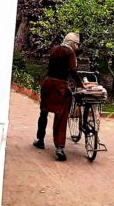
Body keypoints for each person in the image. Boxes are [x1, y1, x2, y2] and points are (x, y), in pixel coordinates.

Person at [33, 32, 83, 161]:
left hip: (48, 83)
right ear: (72, 43)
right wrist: (81, 84)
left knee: (43, 111)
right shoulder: (70, 53)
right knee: (61, 116)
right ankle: (59, 148)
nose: (77, 46)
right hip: (60, 86)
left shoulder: (54, 49)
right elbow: (72, 70)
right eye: (77, 44)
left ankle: (40, 140)